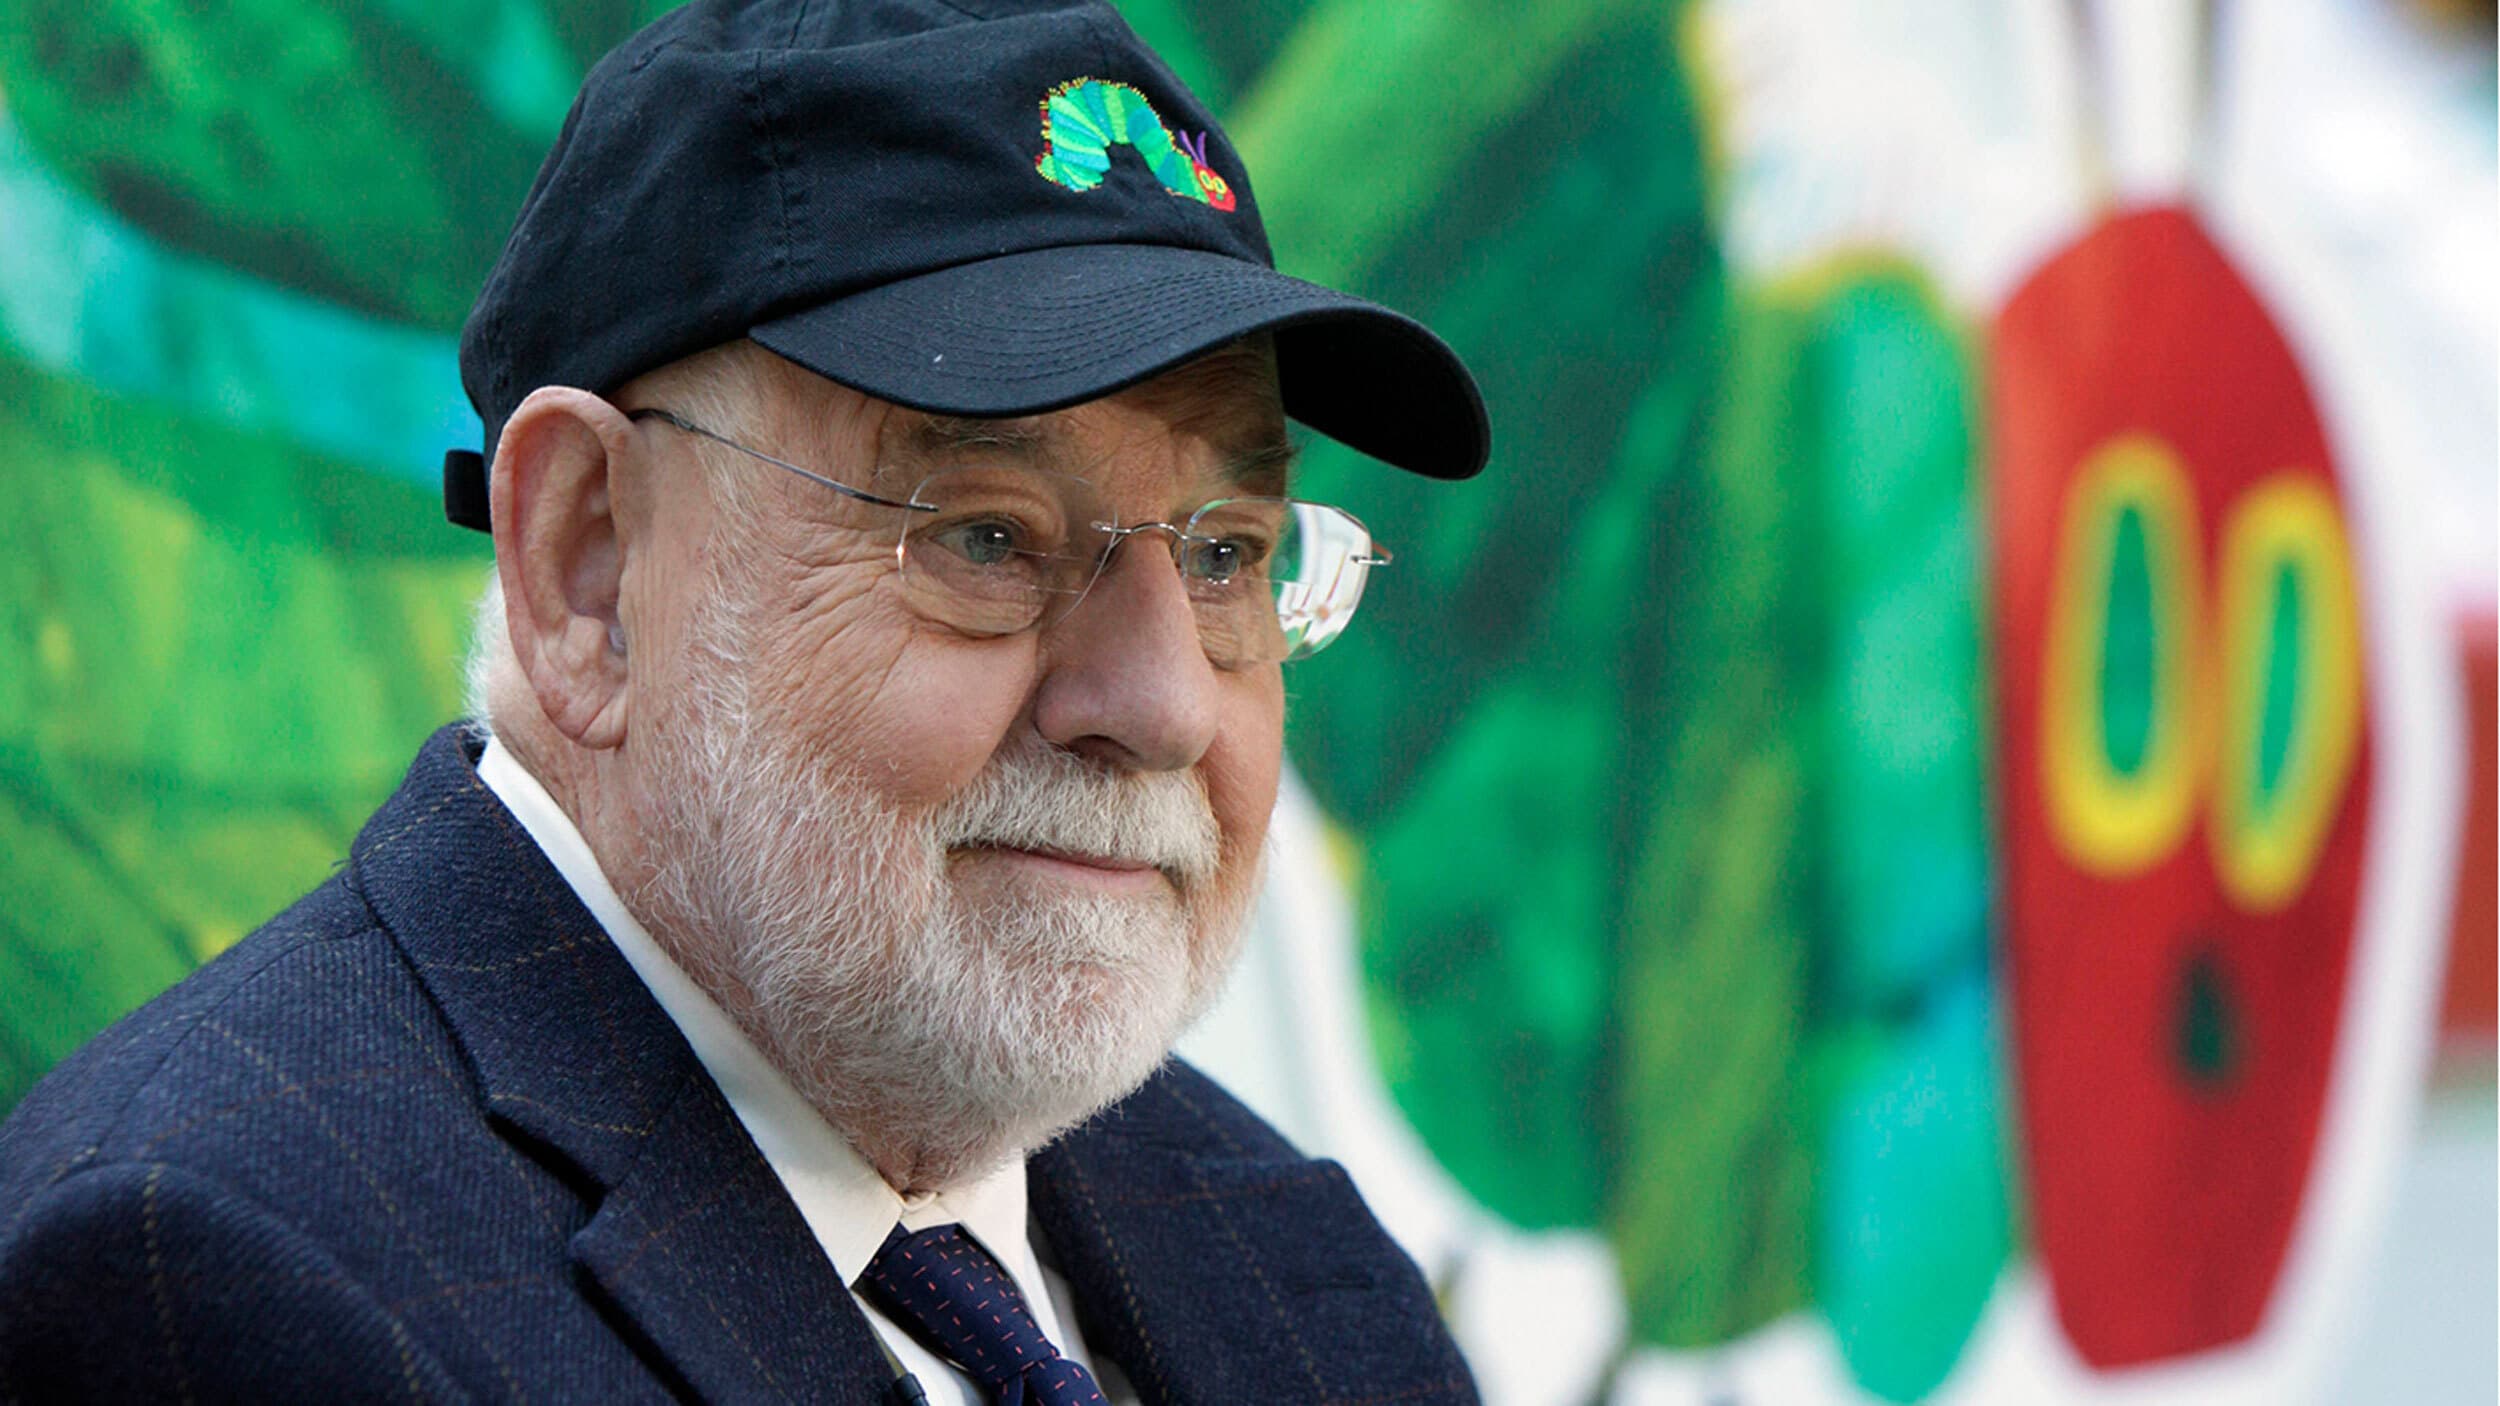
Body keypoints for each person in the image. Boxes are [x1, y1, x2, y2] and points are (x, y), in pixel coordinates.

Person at [0, 0, 1490, 1400]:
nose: (1163, 702)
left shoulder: (1303, 1266)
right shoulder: (207, 1285)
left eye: (1227, 554)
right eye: (987, 536)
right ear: (589, 564)